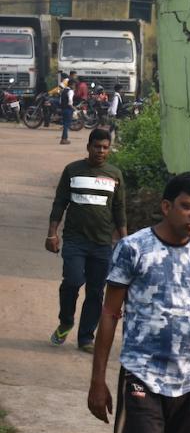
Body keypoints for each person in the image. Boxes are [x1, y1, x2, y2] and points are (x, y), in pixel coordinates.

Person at [87, 173, 190, 433]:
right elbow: (110, 313)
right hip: (143, 376)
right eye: (187, 206)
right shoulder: (133, 248)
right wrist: (97, 380)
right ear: (166, 206)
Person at [46, 129, 126, 351]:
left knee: (96, 291)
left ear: (109, 150)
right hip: (74, 240)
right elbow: (60, 202)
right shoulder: (72, 170)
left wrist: (125, 241)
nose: (100, 151)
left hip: (102, 244)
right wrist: (52, 233)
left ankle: (86, 338)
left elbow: (119, 210)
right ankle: (66, 321)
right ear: (88, 147)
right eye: (97, 146)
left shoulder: (115, 175)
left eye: (105, 147)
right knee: (72, 281)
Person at [58, 73, 75, 144]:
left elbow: (60, 101)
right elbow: (70, 102)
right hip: (68, 109)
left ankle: (64, 138)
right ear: (71, 85)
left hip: (63, 109)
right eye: (74, 85)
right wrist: (73, 108)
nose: (75, 86)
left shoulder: (64, 91)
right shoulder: (70, 91)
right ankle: (64, 139)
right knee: (66, 125)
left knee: (65, 124)